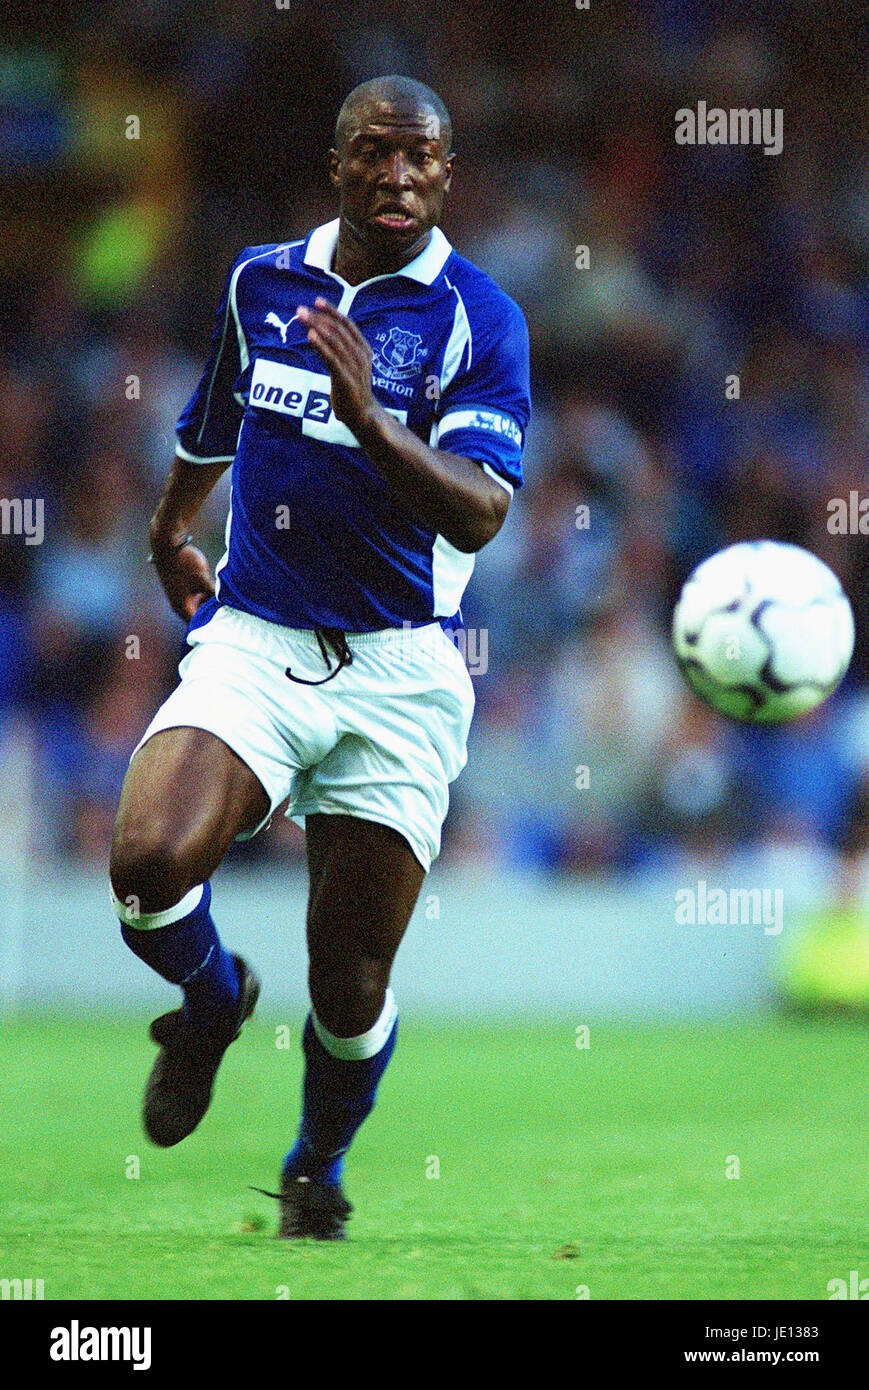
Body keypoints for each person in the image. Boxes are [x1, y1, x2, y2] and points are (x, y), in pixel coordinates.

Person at [109, 76, 531, 1240]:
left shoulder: (476, 318)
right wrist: (166, 529)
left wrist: (370, 415)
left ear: (447, 174)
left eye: (421, 159)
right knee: (147, 862)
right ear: (337, 160)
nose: (396, 177)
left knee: (347, 985)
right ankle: (209, 1001)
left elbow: (480, 512)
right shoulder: (261, 281)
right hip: (256, 635)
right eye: (374, 154)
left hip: (399, 671)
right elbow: (213, 415)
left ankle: (315, 1163)